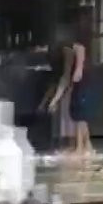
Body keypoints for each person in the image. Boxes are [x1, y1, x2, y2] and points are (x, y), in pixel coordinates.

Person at [41, 25, 94, 158]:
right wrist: (54, 100)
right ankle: (87, 147)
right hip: (79, 83)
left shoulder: (66, 49)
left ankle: (80, 148)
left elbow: (80, 50)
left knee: (79, 115)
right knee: (77, 114)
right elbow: (63, 80)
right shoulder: (62, 53)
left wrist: (79, 68)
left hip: (83, 82)